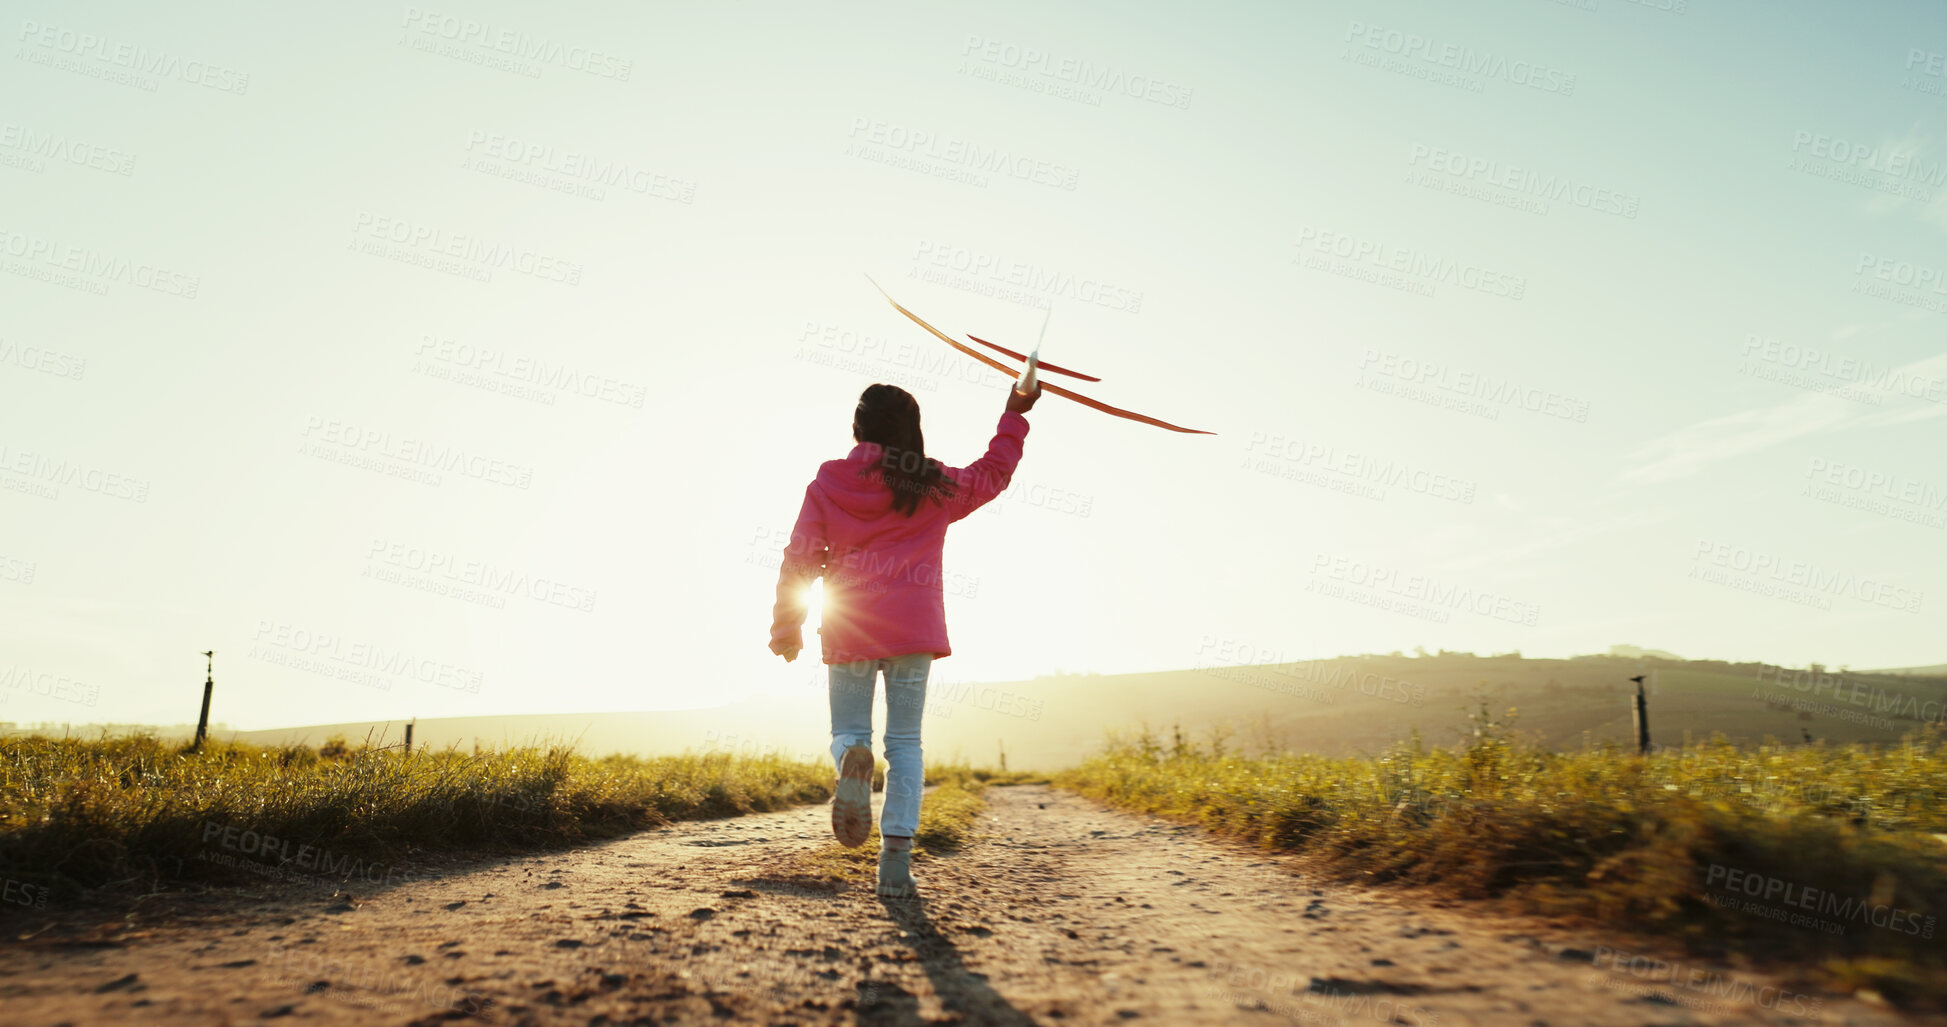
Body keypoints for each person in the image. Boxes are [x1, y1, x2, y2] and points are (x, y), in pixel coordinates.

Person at [769, 380, 1039, 897]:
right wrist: (1014, 412)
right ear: (914, 431)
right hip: (914, 626)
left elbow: (799, 555)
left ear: (857, 428)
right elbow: (993, 472)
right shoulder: (932, 483)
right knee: (906, 743)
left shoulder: (829, 481)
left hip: (850, 622)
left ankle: (851, 757)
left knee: (849, 731)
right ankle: (895, 867)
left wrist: (787, 626)